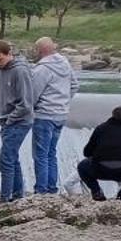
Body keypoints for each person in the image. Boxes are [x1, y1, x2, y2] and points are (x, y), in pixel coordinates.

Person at [29, 37, 79, 196]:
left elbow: (33, 94)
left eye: (35, 49)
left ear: (40, 50)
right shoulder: (65, 64)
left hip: (44, 116)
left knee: (41, 155)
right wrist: (64, 101)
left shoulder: (42, 69)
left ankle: (41, 191)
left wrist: (32, 108)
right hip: (61, 115)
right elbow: (75, 85)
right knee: (51, 153)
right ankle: (52, 188)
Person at [0, 40, 35, 203]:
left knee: (6, 158)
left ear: (9, 54)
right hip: (5, 120)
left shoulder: (21, 71)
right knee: (12, 158)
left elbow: (26, 103)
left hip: (19, 121)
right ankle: (17, 194)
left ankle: (5, 197)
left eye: (0, 59)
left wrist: (10, 119)